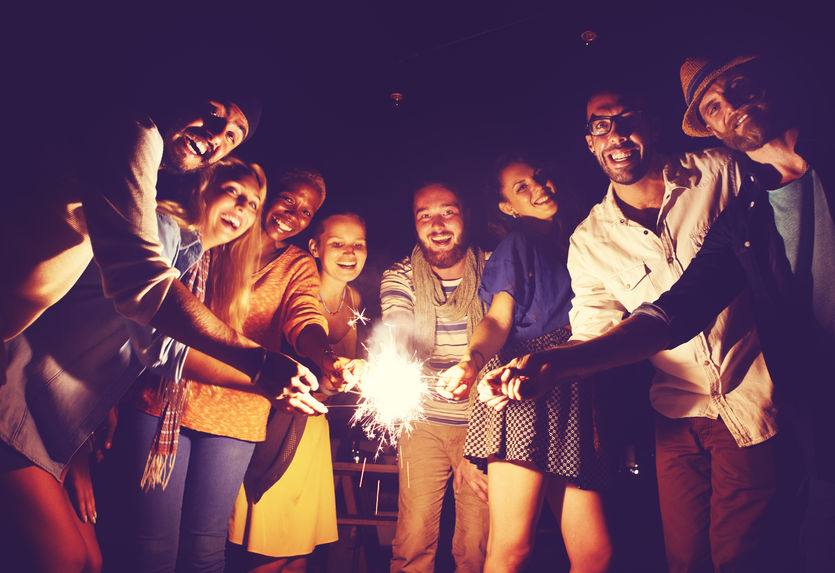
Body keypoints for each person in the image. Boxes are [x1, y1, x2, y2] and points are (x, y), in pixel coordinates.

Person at [483, 55, 834, 571]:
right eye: (600, 127)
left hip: (757, 397)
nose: (616, 136)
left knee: (746, 555)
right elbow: (655, 316)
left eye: (627, 120)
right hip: (675, 417)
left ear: (651, 123)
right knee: (684, 560)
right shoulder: (591, 240)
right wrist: (552, 364)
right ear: (589, 142)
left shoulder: (727, 175)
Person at [0, 156, 276, 573]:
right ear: (204, 188)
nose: (241, 208)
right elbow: (161, 348)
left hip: (52, 419)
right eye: (233, 191)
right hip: (16, 400)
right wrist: (266, 374)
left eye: (252, 204)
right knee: (67, 559)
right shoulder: (162, 233)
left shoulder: (188, 255)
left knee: (92, 560)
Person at [114, 168, 349, 573]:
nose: (294, 214)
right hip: (166, 400)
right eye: (289, 199)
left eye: (307, 212)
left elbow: (304, 317)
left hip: (238, 414)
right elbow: (162, 315)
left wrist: (324, 355)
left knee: (205, 551)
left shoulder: (297, 266)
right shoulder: (217, 237)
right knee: (151, 549)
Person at [1, 95, 311, 399]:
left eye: (232, 136)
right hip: (26, 391)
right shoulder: (133, 130)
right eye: (213, 113)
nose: (216, 136)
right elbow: (145, 289)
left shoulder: (194, 251)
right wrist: (259, 364)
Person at [437, 157, 611, 573]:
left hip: (572, 384)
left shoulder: (581, 239)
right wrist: (471, 360)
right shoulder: (518, 245)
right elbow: (498, 319)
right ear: (508, 208)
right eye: (520, 187)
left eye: (538, 175)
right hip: (523, 391)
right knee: (512, 549)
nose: (537, 187)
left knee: (596, 555)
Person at [229, 212, 369, 572]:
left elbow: (334, 379)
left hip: (314, 433)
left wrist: (355, 373)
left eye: (358, 244)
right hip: (277, 429)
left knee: (298, 556)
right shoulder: (296, 287)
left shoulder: (352, 298)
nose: (349, 252)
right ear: (314, 247)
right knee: (268, 553)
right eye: (338, 243)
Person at [382, 183, 490, 573]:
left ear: (466, 215)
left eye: (448, 211)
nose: (437, 224)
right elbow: (398, 324)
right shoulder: (401, 274)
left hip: (485, 424)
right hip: (423, 424)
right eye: (424, 215)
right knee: (412, 539)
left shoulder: (495, 268)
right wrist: (394, 355)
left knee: (477, 546)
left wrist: (480, 449)